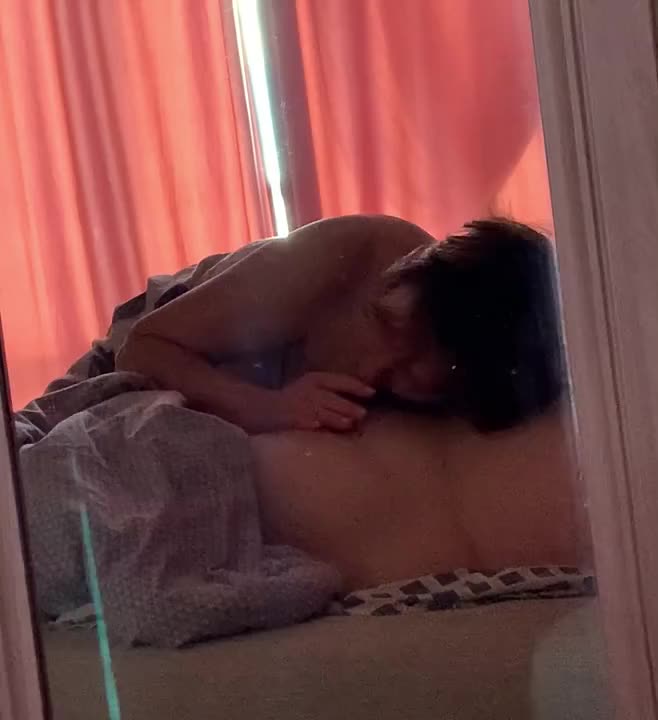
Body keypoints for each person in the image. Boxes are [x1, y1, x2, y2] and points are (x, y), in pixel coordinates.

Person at [116, 214, 565, 435]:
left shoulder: (484, 372)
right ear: (407, 272)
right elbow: (143, 346)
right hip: (154, 331)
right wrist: (267, 407)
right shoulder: (330, 261)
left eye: (406, 377)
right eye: (384, 325)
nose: (369, 371)